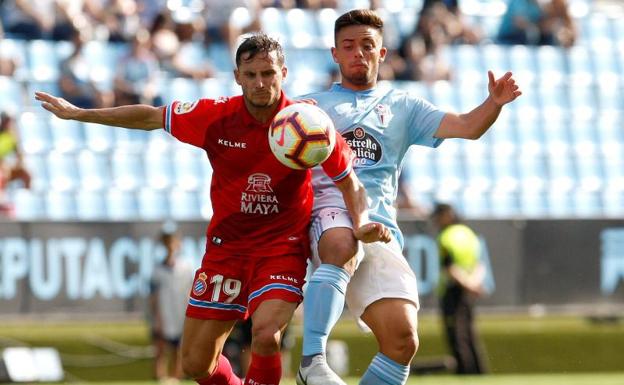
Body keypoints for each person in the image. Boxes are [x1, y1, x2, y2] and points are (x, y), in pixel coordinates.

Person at [35, 32, 391, 385]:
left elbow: (350, 183)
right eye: (250, 75)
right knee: (195, 363)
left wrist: (360, 223)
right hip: (227, 251)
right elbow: (150, 117)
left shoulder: (309, 124)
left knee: (266, 336)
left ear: (284, 73)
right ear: (237, 76)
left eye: (268, 74)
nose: (260, 83)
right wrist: (81, 114)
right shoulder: (216, 116)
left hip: (281, 248)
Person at [295, 9, 520, 385]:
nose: (358, 54)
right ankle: (311, 360)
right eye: (348, 46)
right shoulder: (307, 108)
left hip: (380, 232)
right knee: (342, 242)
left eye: (368, 46)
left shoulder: (402, 105)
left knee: (403, 342)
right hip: (330, 219)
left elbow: (467, 126)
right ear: (335, 54)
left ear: (382, 54)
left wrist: (493, 104)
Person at [430, 203, 487, 375]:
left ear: (446, 215)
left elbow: (450, 268)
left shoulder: (445, 237)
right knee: (470, 333)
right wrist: (474, 284)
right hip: (469, 290)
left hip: (453, 290)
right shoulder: (469, 234)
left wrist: (467, 284)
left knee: (456, 334)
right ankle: (479, 372)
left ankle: (464, 373)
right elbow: (479, 264)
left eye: (438, 217)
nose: (436, 221)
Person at [149, 229, 195, 382]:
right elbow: (153, 296)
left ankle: (176, 376)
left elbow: (191, 291)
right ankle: (160, 376)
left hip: (181, 312)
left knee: (179, 347)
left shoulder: (186, 267)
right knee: (160, 347)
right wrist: (156, 317)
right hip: (164, 312)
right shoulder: (157, 269)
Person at [0, 111, 31, 216]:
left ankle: (27, 203)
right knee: (2, 174)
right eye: (6, 121)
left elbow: (19, 154)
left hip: (4, 166)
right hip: (2, 167)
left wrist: (20, 163)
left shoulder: (12, 137)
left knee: (25, 173)